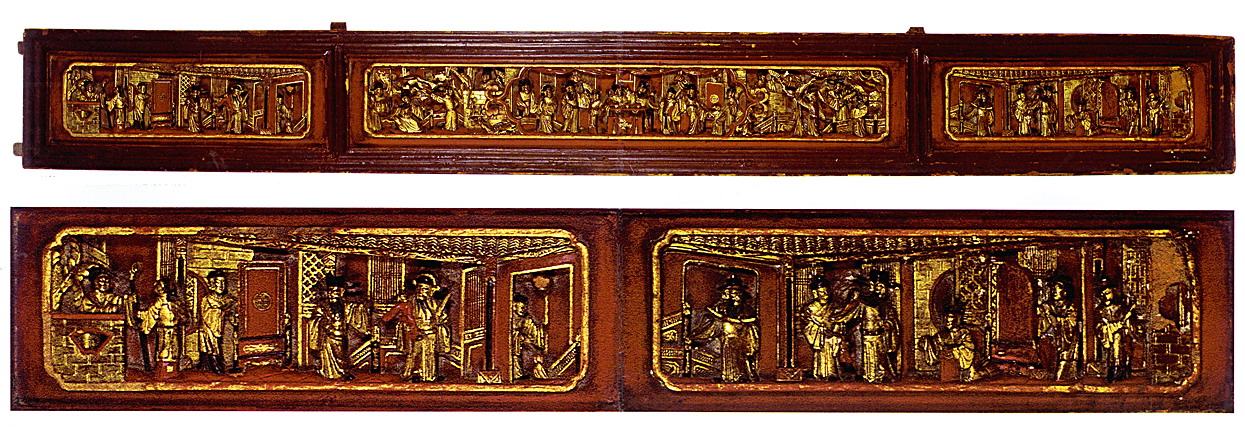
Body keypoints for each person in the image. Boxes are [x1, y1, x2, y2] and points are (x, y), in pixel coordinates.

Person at [689, 276, 760, 383]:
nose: (736, 296)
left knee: (739, 354)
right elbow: (713, 319)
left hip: (741, 336)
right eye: (733, 293)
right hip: (727, 335)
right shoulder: (721, 307)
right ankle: (727, 376)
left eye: (737, 293)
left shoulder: (746, 308)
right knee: (727, 348)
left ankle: (741, 375)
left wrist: (734, 321)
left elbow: (752, 319)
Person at [381, 273, 450, 382]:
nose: (421, 291)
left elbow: (441, 318)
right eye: (419, 288)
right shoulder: (410, 303)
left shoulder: (433, 303)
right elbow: (402, 317)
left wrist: (439, 320)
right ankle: (410, 373)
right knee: (413, 354)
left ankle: (429, 375)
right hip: (416, 332)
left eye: (425, 289)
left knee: (430, 354)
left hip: (430, 332)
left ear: (431, 290)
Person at [309, 275, 353, 381]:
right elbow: (315, 319)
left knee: (342, 356)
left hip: (341, 335)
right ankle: (330, 372)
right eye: (330, 292)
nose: (331, 294)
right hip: (329, 336)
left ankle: (343, 371)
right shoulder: (323, 307)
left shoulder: (345, 306)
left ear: (341, 292)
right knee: (330, 355)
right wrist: (324, 323)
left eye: (335, 292)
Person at [138, 278, 184, 377]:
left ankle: (169, 371)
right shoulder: (172, 301)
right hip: (167, 330)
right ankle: (167, 371)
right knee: (167, 350)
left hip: (169, 330)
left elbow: (152, 315)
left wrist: (144, 322)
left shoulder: (163, 302)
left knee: (169, 350)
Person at [1038, 276, 1080, 381]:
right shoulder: (1047, 305)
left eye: (1058, 288)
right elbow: (1042, 325)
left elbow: (1071, 323)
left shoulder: (1070, 306)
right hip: (1051, 336)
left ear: (1065, 292)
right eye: (1053, 289)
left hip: (1064, 339)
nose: (1054, 291)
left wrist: (1053, 317)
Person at [1096, 279, 1136, 382]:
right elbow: (1100, 325)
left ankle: (1119, 367)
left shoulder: (1120, 308)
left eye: (1107, 293)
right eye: (1103, 294)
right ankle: (1111, 368)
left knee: (1119, 342)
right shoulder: (1100, 310)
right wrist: (1110, 327)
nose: (1105, 296)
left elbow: (1127, 323)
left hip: (1120, 336)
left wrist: (1124, 326)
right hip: (1108, 335)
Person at [198, 270, 236, 374]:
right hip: (210, 327)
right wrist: (221, 310)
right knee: (212, 346)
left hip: (222, 327)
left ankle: (227, 365)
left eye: (223, 282)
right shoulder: (208, 299)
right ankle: (214, 366)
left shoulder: (227, 300)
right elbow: (209, 313)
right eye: (218, 282)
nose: (221, 285)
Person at [510, 293, 549, 380]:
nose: (523, 310)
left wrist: (533, 342)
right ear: (514, 306)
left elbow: (534, 334)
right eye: (521, 307)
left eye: (525, 307)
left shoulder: (527, 319)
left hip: (522, 348)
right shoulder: (509, 318)